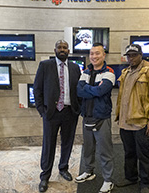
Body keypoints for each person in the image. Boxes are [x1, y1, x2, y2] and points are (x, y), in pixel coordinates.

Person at [33, 40, 81, 192]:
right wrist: (42, 110)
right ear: (54, 50)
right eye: (59, 47)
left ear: (68, 50)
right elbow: (37, 89)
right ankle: (45, 176)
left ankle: (63, 168)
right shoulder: (45, 66)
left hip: (70, 112)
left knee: (67, 142)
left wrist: (78, 108)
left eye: (65, 47)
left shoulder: (75, 67)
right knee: (49, 145)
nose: (62, 50)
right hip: (51, 113)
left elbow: (79, 89)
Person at [115, 44, 149, 193]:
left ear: (141, 55)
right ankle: (130, 178)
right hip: (125, 122)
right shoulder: (125, 72)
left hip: (142, 124)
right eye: (129, 55)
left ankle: (146, 182)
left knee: (143, 154)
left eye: (134, 55)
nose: (131, 58)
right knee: (129, 153)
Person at [76, 43, 115, 193]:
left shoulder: (109, 72)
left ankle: (108, 180)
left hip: (102, 118)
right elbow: (79, 91)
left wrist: (87, 88)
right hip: (87, 116)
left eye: (97, 53)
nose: (94, 56)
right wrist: (92, 89)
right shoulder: (85, 71)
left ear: (104, 55)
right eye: (91, 53)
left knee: (105, 150)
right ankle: (88, 172)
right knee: (88, 147)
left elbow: (101, 91)